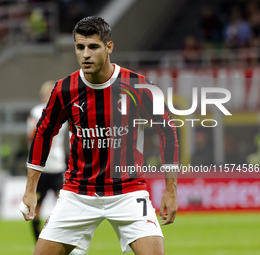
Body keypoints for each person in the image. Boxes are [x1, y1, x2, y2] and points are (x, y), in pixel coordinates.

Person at [21, 16, 179, 255]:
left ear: (109, 47)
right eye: (80, 47)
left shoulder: (139, 85)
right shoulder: (64, 89)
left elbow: (167, 131)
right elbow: (43, 134)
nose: (85, 54)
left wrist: (171, 190)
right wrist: (30, 190)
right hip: (78, 194)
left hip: (129, 192)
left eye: (93, 46)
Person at [26, 81, 68, 243]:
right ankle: (38, 242)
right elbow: (32, 136)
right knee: (37, 206)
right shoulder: (37, 112)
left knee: (65, 203)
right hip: (39, 167)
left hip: (57, 165)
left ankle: (63, 240)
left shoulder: (63, 111)